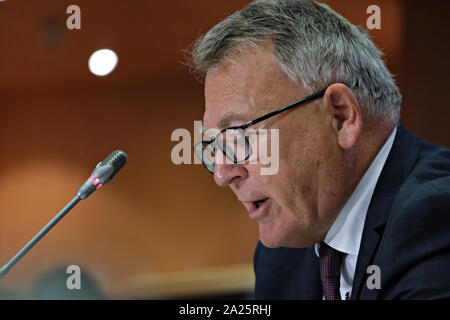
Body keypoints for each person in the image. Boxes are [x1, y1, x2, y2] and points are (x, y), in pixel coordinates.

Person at [188, 0, 450, 299]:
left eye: (239, 137)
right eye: (216, 146)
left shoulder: (435, 218)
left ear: (340, 116)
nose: (222, 175)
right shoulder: (284, 254)